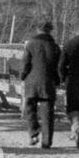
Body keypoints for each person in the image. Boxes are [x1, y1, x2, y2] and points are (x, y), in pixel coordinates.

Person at [20, 19, 61, 148]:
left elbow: (25, 63)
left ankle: (33, 133)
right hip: (48, 84)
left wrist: (22, 75)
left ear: (37, 30)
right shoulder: (54, 47)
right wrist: (58, 80)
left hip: (32, 83)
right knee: (47, 113)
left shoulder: (31, 44)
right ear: (50, 31)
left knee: (30, 109)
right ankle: (46, 142)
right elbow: (59, 67)